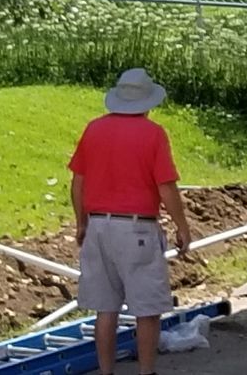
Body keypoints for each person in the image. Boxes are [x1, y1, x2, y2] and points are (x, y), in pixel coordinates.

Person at [69, 69, 193, 375]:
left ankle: (106, 371)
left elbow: (78, 182)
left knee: (105, 308)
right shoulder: (153, 134)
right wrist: (182, 226)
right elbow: (166, 186)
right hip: (137, 228)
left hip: (98, 226)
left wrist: (81, 221)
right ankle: (146, 371)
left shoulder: (94, 129)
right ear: (147, 102)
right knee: (147, 309)